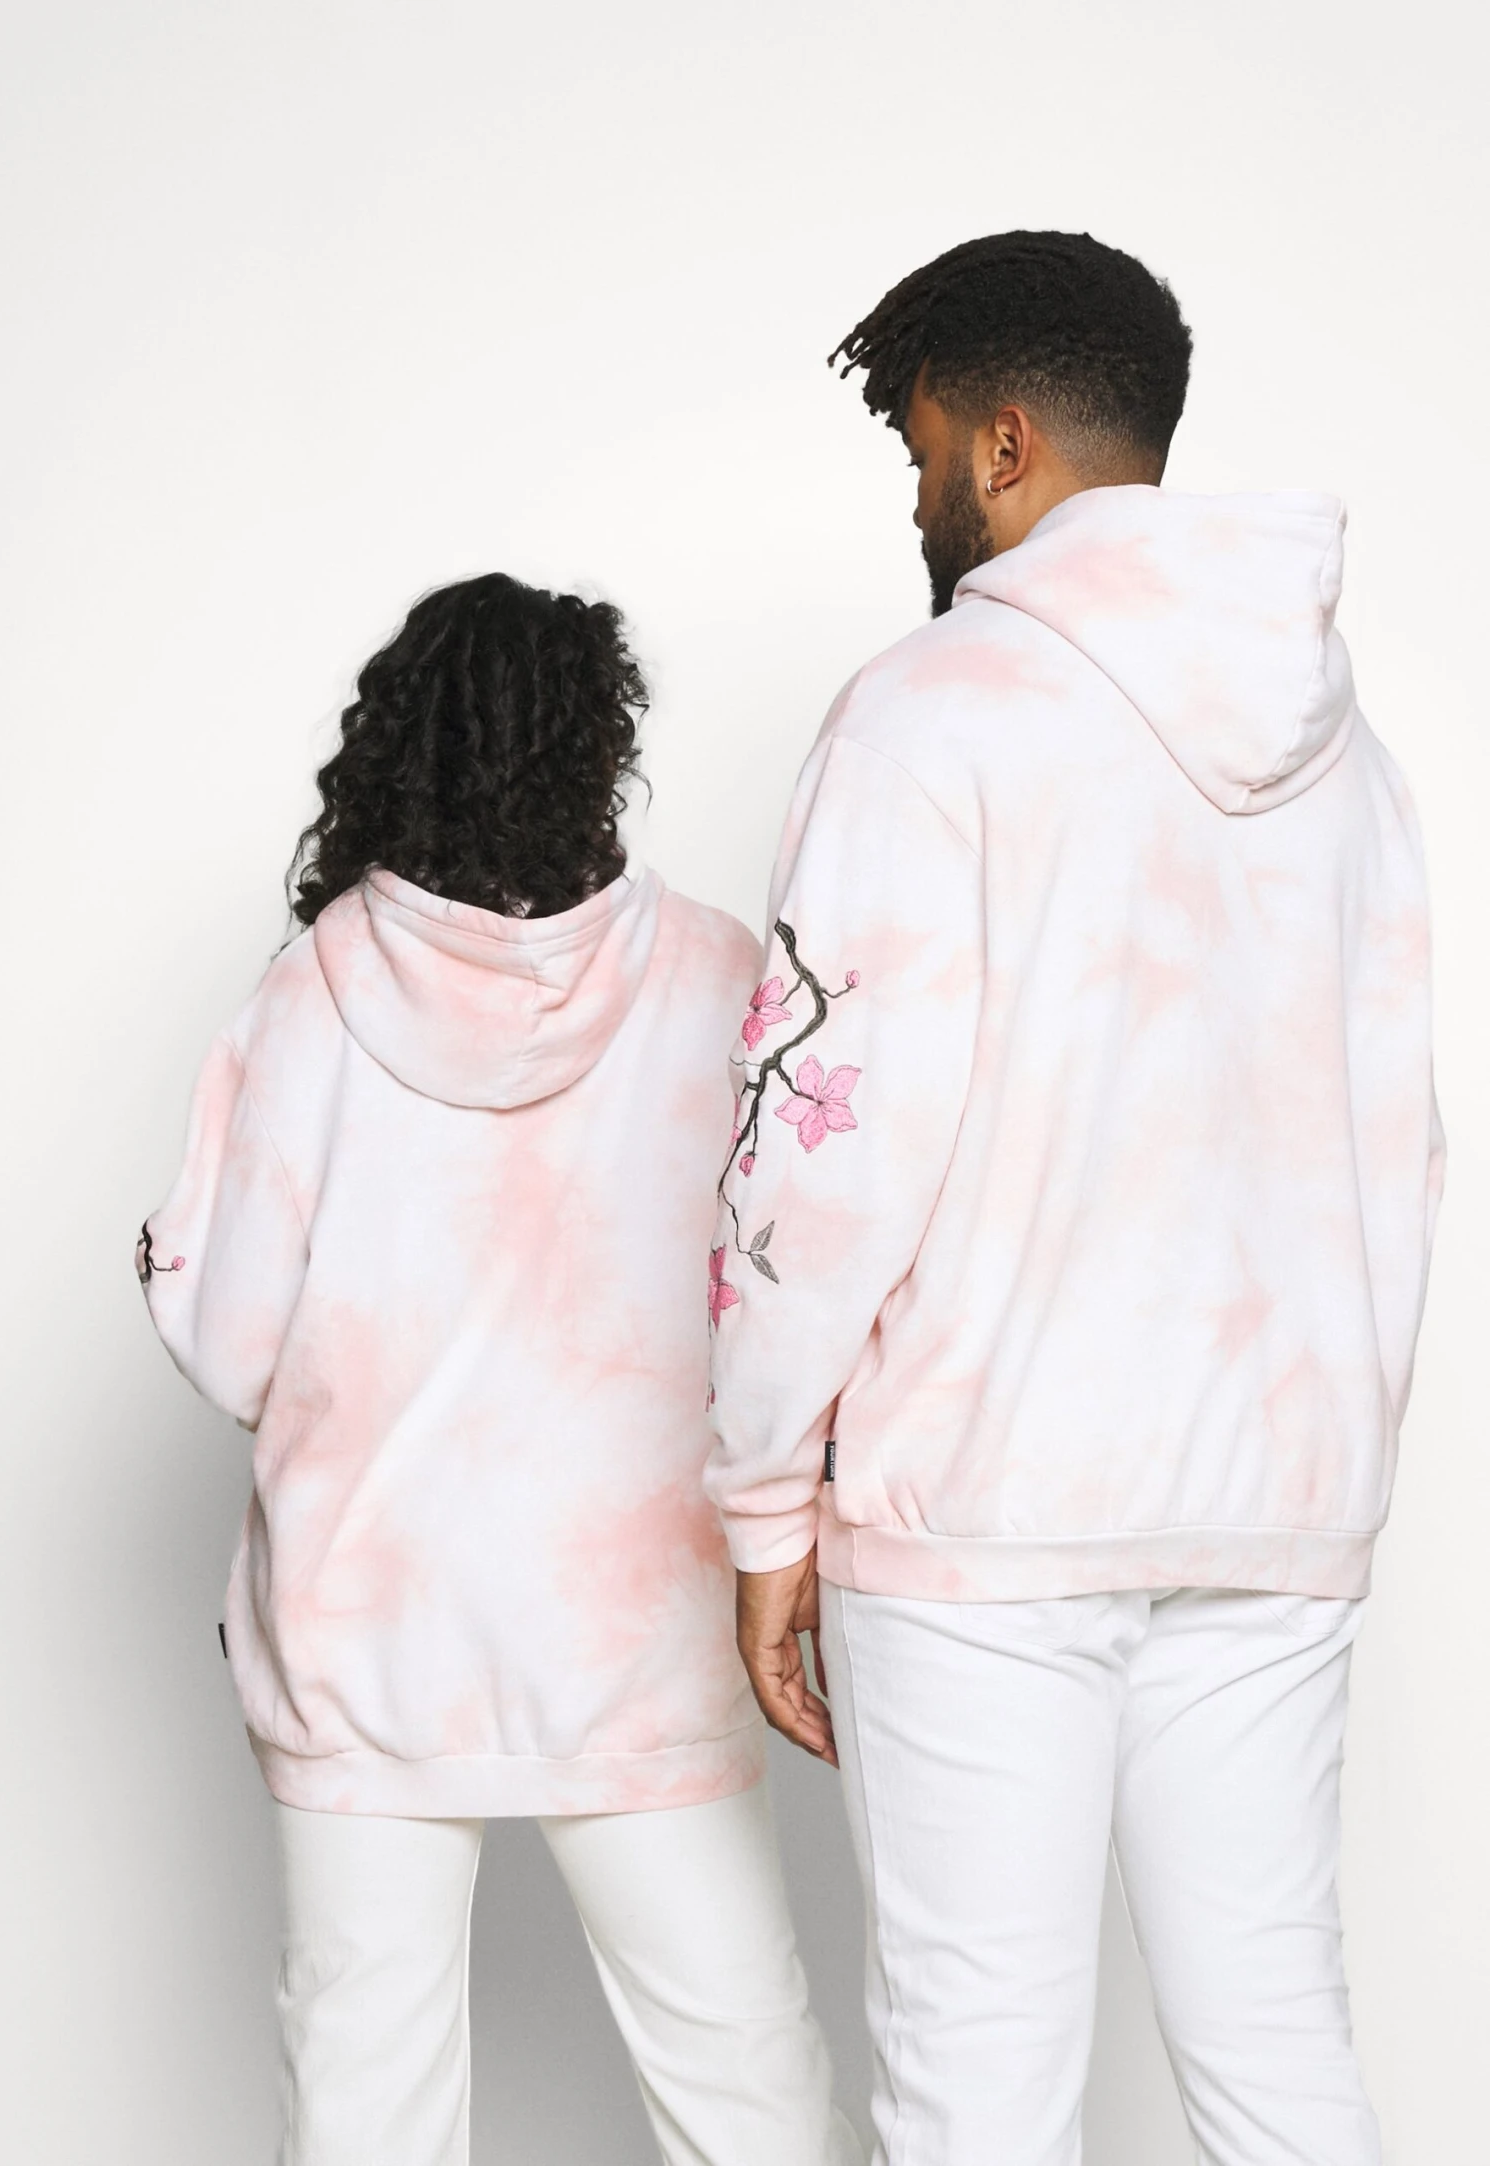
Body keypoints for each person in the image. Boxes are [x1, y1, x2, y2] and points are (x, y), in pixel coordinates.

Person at [705, 231, 1443, 2165]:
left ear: (1007, 441)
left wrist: (764, 1493)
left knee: (977, 2098)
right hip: (1273, 1498)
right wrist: (1333, 1455)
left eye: (925, 450)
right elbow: (1400, 1138)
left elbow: (823, 1148)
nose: (922, 500)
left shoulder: (926, 712)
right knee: (1282, 2064)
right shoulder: (1350, 755)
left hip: (990, 1502)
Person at [138, 573, 861, 2166]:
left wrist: (163, 1262)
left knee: (366, 2096)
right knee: (748, 2084)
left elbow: (230, 1339)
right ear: (602, 745)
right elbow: (801, 1281)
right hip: (639, 1625)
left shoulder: (312, 995)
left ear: (398, 750)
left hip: (368, 1624)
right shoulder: (719, 975)